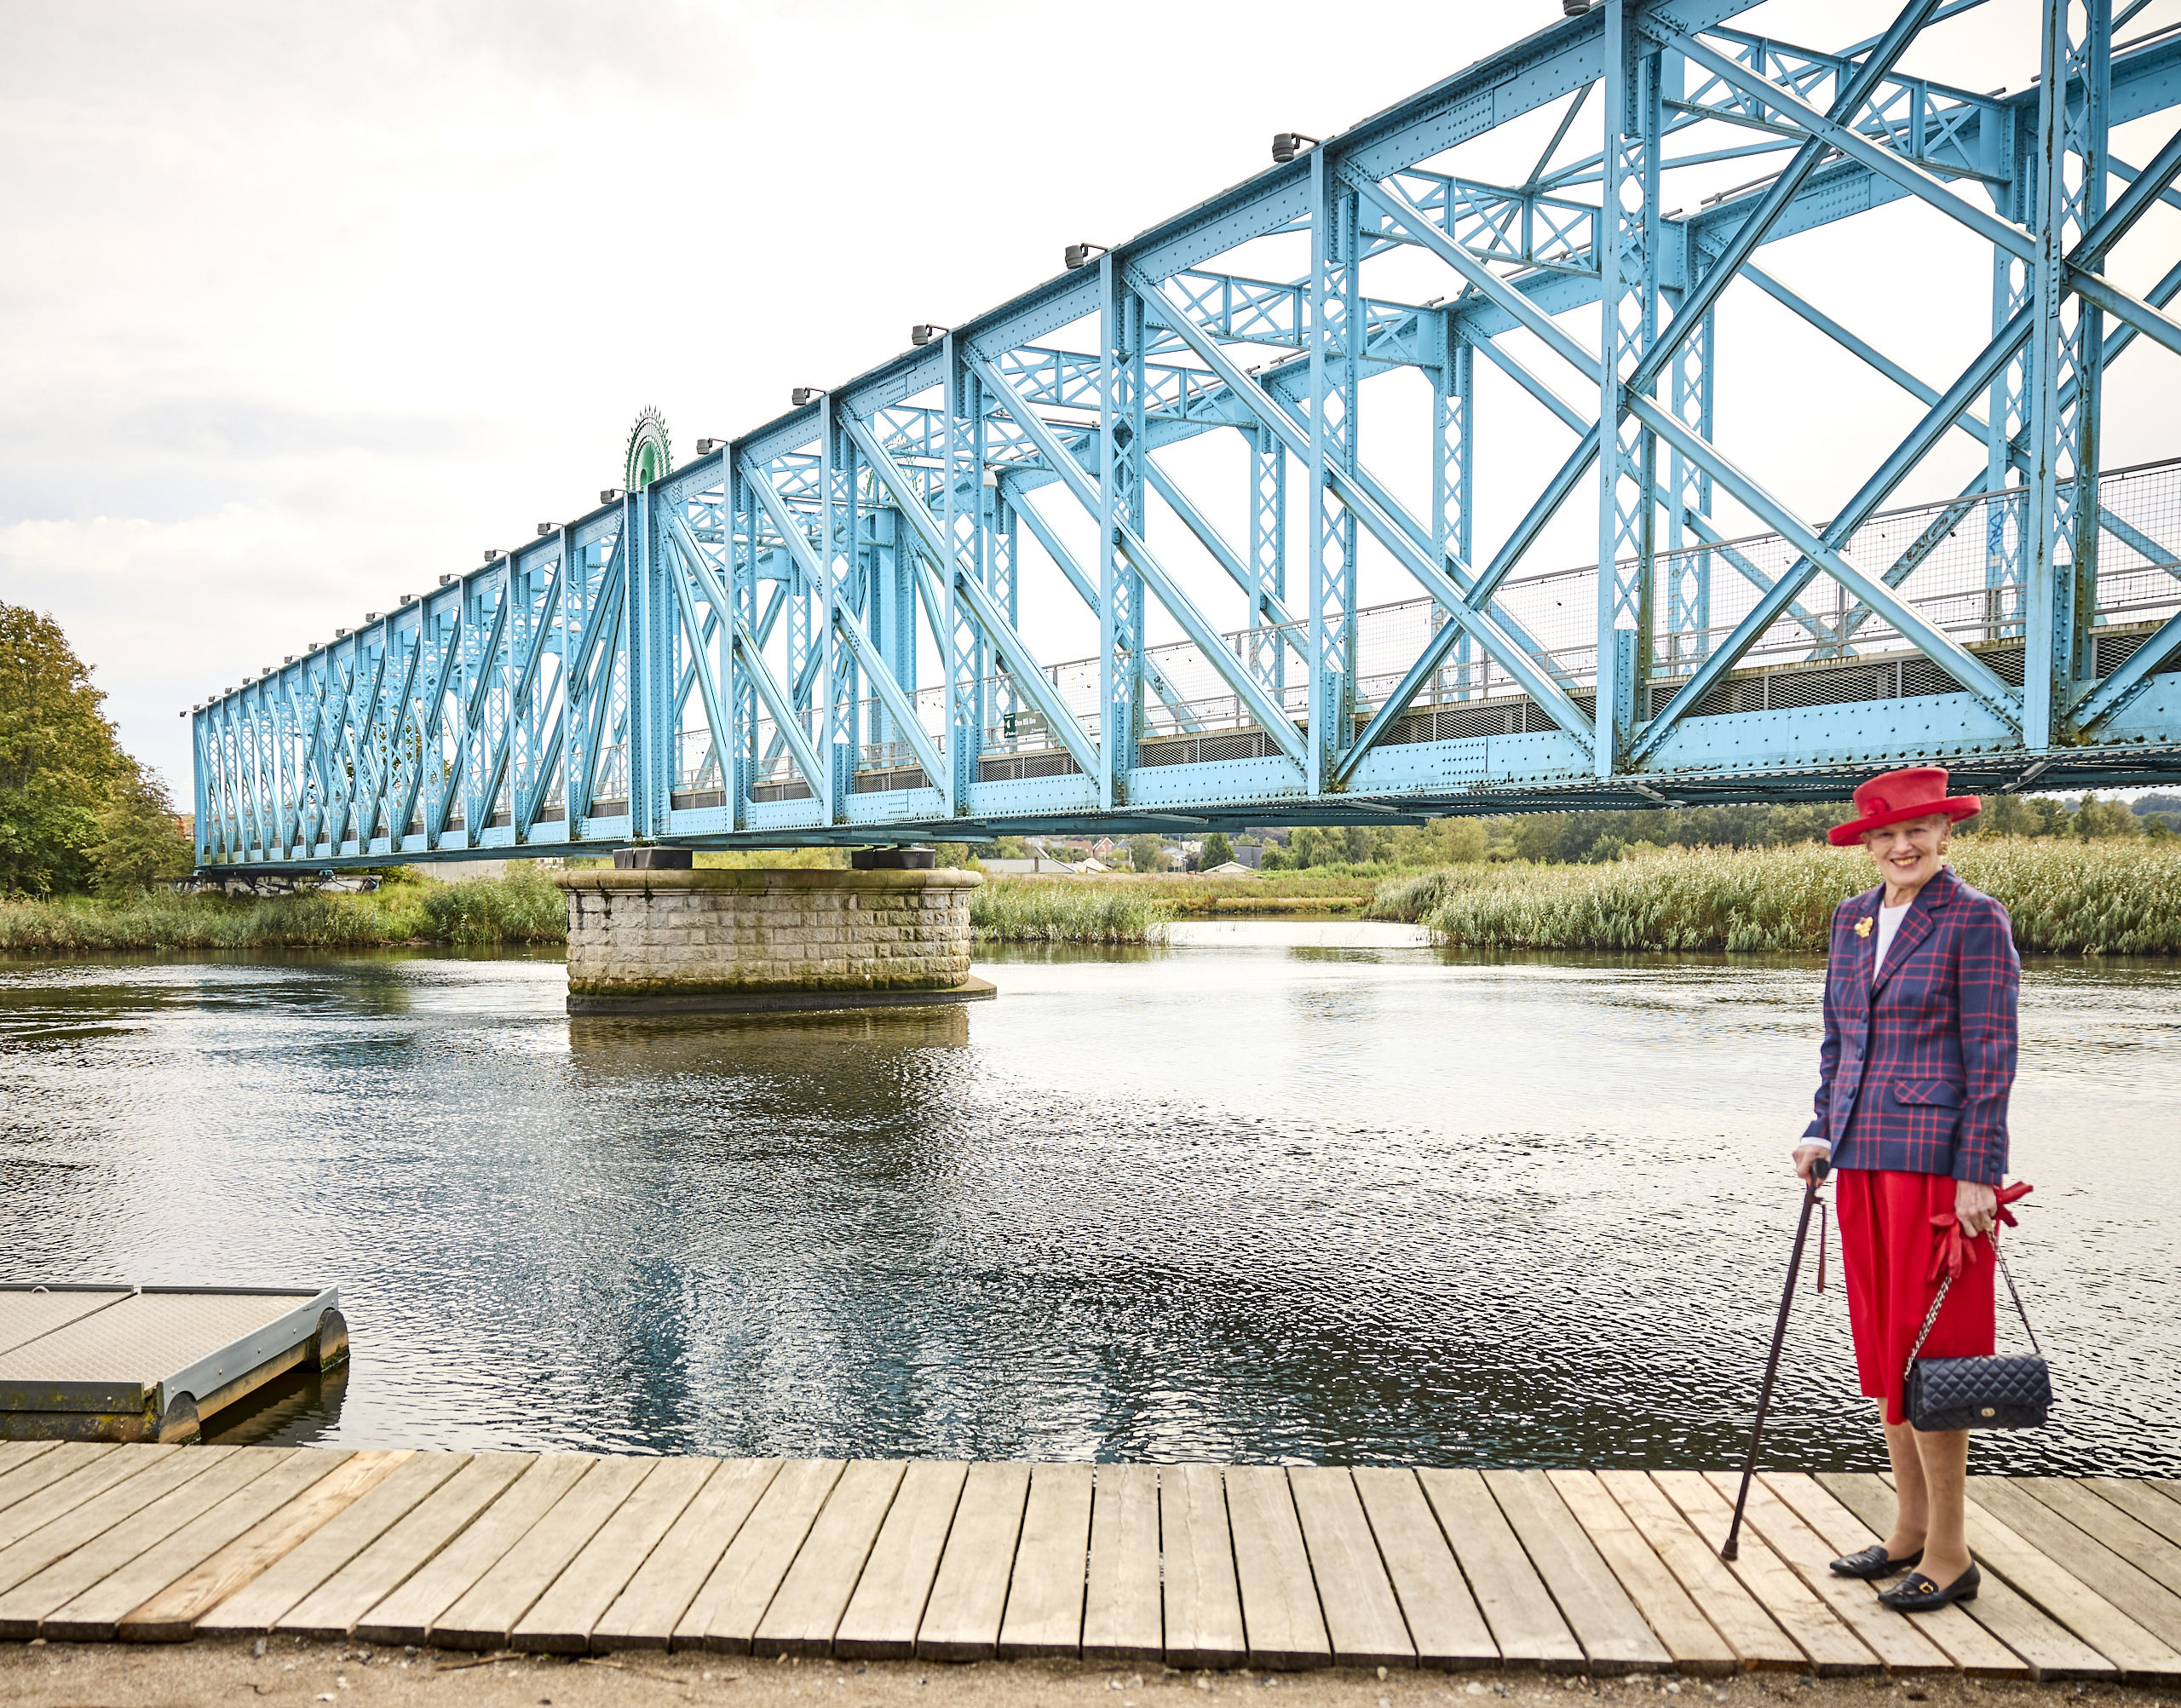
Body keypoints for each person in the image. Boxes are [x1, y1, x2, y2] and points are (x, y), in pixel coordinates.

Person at [1793, 765, 2020, 1613]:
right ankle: (1908, 1531)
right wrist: (1821, 1126)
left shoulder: (1973, 919)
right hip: (1860, 1158)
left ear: (1944, 835)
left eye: (1916, 831)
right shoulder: (1851, 919)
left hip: (1935, 1171)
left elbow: (1991, 1058)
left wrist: (1978, 1173)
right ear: (1866, 842)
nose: (1901, 846)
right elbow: (1836, 1043)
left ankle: (1953, 1551)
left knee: (1938, 1357)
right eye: (1885, 834)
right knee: (1888, 1349)